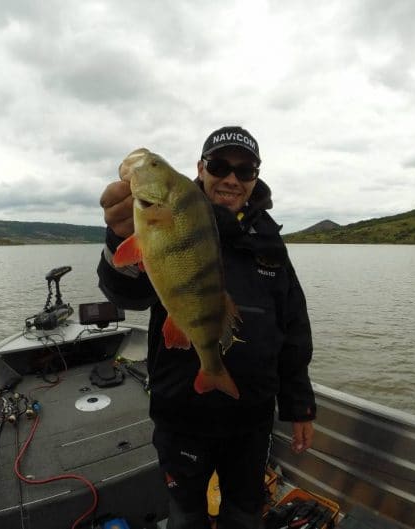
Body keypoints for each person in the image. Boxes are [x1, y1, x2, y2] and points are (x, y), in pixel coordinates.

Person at [97, 126, 316, 529]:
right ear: (200, 168)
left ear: (255, 177)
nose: (232, 178)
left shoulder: (268, 240)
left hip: (251, 415)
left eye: (245, 170)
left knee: (246, 512)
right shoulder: (170, 217)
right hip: (183, 412)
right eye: (219, 165)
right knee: (185, 515)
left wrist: (299, 403)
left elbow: (293, 326)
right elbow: (127, 293)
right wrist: (117, 237)